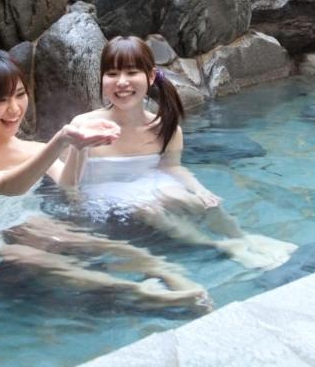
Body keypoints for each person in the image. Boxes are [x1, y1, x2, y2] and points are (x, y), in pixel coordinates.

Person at [0, 39, 208, 310]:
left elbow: (68, 183)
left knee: (92, 242)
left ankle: (169, 273)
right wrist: (62, 139)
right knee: (32, 257)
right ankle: (140, 292)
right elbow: (2, 186)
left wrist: (81, 146)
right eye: (1, 100)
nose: (14, 109)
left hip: (18, 220)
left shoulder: (31, 149)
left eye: (19, 94)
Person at [61, 36, 296, 270]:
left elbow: (172, 167)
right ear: (102, 79)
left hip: (147, 182)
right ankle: (220, 247)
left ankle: (243, 238)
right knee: (148, 209)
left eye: (131, 72)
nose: (121, 82)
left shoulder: (164, 127)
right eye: (112, 74)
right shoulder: (85, 124)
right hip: (105, 192)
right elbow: (69, 184)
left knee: (195, 201)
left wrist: (199, 189)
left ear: (151, 76)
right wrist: (79, 150)